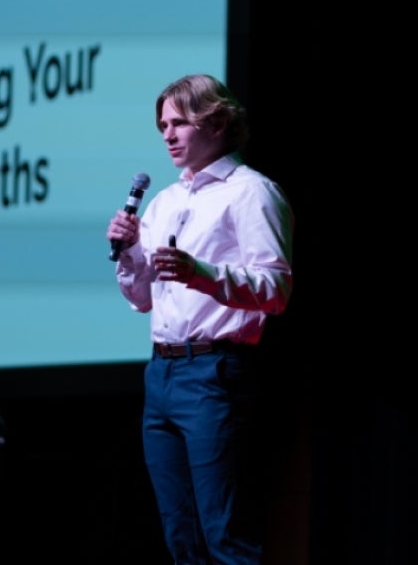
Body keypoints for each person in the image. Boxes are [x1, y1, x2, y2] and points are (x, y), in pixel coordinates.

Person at [106, 73, 294, 565]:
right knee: (181, 541)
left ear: (215, 123)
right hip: (161, 375)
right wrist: (129, 254)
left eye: (179, 123)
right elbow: (143, 298)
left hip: (214, 374)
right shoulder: (166, 202)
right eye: (162, 125)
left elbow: (276, 290)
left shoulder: (250, 192)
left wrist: (203, 274)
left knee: (225, 536)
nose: (167, 135)